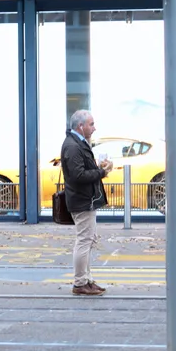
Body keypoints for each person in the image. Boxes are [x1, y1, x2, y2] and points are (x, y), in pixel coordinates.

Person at [61, 109, 113, 296]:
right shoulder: (73, 146)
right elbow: (78, 175)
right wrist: (102, 172)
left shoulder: (77, 143)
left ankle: (86, 279)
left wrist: (99, 169)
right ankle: (80, 282)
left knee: (88, 240)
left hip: (84, 198)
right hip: (82, 200)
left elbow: (80, 171)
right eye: (91, 124)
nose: (94, 128)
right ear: (80, 126)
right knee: (84, 240)